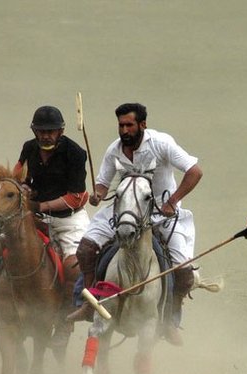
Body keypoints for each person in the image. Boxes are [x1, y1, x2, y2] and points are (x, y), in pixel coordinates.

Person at [66, 103, 203, 347]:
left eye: (130, 125)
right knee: (85, 249)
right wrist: (98, 194)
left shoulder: (161, 144)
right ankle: (90, 304)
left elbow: (195, 171)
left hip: (163, 213)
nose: (125, 130)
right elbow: (103, 184)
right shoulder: (114, 150)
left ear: (142, 125)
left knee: (183, 272)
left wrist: (173, 201)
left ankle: (170, 319)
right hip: (125, 212)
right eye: (121, 125)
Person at [0, 105, 90, 347]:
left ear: (61, 131)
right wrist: (20, 188)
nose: (46, 135)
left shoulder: (75, 154)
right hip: (33, 216)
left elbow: (76, 197)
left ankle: (65, 324)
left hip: (69, 220)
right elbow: (17, 178)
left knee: (74, 268)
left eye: (51, 131)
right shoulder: (29, 148)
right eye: (41, 131)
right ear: (35, 131)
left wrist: (40, 206)